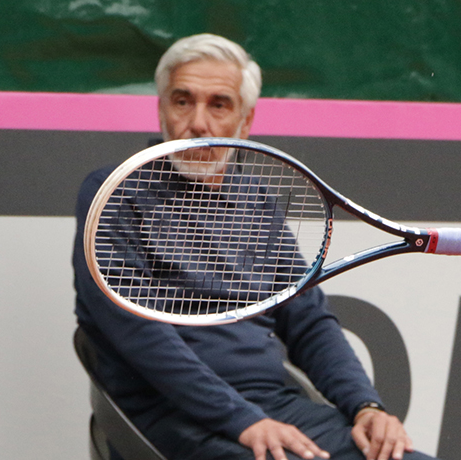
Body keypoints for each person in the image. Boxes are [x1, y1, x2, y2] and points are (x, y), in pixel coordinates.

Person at [73, 33, 434, 460]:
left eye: (219, 105)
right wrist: (242, 421)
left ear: (244, 122)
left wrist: (365, 405)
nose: (198, 123)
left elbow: (308, 321)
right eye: (182, 101)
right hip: (170, 417)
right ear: (161, 109)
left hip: (276, 408)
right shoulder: (112, 194)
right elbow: (139, 335)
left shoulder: (257, 201)